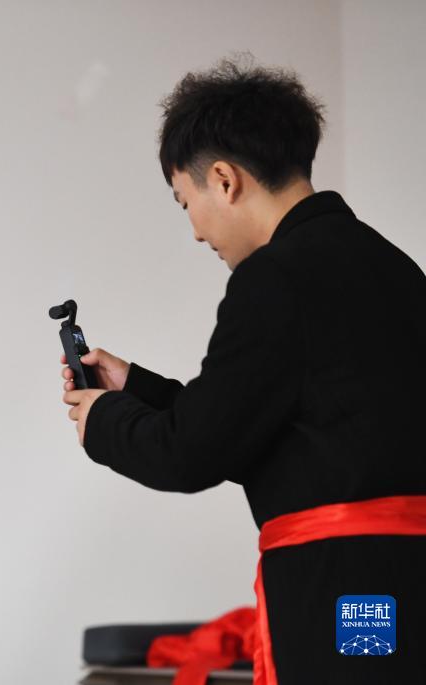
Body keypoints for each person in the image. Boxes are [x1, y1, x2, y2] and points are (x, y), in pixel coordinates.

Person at [61, 57, 426, 683]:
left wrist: (103, 421)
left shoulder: (274, 277)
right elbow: (270, 425)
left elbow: (193, 454)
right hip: (402, 584)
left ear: (224, 180)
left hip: (342, 587)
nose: (196, 232)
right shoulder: (394, 267)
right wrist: (136, 388)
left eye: (186, 202)